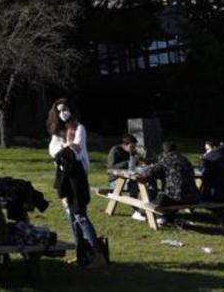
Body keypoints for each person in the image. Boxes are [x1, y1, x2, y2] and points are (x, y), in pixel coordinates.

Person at [46, 98, 107, 267]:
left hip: (77, 176)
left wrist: (64, 149)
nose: (62, 113)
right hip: (63, 177)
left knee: (80, 215)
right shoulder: (57, 132)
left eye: (65, 109)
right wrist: (65, 147)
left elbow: (77, 149)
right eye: (59, 111)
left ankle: (98, 254)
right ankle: (82, 254)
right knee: (71, 217)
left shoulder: (79, 128)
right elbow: (53, 151)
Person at [137, 141, 199, 226]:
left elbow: (149, 172)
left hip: (176, 199)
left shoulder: (166, 160)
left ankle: (158, 216)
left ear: (164, 151)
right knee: (173, 191)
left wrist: (144, 167)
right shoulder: (185, 159)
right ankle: (166, 216)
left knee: (158, 197)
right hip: (192, 197)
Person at [106, 134, 148, 222]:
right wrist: (128, 162)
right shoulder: (115, 150)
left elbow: (136, 163)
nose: (133, 149)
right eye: (131, 147)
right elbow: (111, 167)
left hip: (129, 177)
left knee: (146, 182)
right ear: (124, 145)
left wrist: (141, 162)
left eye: (134, 147)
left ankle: (150, 208)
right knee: (133, 184)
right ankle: (135, 211)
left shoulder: (133, 151)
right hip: (115, 180)